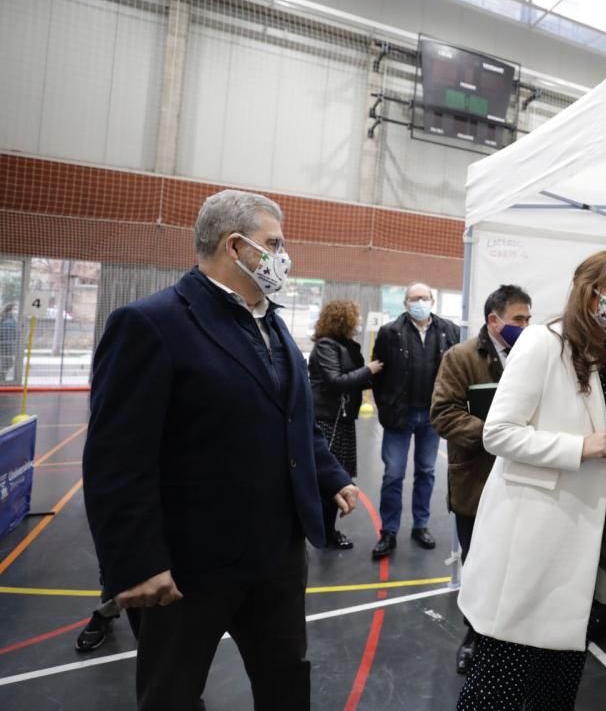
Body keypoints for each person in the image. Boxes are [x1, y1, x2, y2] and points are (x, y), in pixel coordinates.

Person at [82, 189, 358, 710]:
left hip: (276, 553)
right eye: (273, 243)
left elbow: (288, 417)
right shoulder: (152, 324)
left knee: (285, 680)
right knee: (174, 692)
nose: (283, 256)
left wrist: (330, 474)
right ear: (235, 246)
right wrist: (136, 562)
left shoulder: (271, 323)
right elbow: (117, 458)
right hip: (190, 567)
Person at [456, 251, 606, 710]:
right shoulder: (543, 343)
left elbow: (605, 429)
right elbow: (498, 433)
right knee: (498, 688)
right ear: (589, 291)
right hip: (533, 542)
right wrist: (578, 448)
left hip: (579, 548)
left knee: (557, 688)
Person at [430, 284, 533, 675]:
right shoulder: (460, 357)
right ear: (494, 320)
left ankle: (508, 634)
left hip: (522, 481)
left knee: (515, 564)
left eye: (528, 318)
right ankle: (474, 636)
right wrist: (496, 433)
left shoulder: (532, 356)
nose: (525, 326)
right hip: (476, 481)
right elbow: (443, 414)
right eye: (518, 319)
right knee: (477, 565)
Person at [370, 283, 460, 557]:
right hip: (399, 415)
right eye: (414, 298)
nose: (420, 301)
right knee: (393, 474)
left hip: (432, 416)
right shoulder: (390, 332)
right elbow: (378, 373)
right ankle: (389, 530)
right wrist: (385, 405)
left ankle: (421, 525)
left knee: (427, 472)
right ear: (406, 303)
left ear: (432, 300)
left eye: (424, 297)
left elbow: (455, 371)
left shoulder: (449, 331)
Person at [308, 300, 382, 549]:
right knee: (330, 479)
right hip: (327, 420)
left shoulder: (349, 346)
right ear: (344, 319)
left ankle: (328, 529)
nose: (359, 322)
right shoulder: (325, 346)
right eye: (356, 317)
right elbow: (336, 381)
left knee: (340, 478)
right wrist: (370, 370)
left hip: (343, 421)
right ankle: (325, 531)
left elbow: (356, 379)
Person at [0, 302, 16, 381]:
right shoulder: (8, 322)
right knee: (7, 363)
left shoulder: (7, 320)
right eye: (14, 309)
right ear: (10, 311)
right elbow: (7, 338)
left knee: (7, 363)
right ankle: (2, 380)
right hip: (6, 348)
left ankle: (2, 379)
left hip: (6, 347)